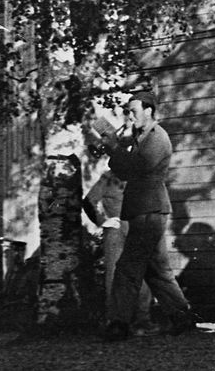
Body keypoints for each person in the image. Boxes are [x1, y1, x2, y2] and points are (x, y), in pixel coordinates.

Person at [90, 89, 199, 342]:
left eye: (134, 111)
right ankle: (182, 317)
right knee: (156, 270)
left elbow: (136, 169)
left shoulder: (157, 138)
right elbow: (124, 168)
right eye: (128, 111)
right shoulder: (142, 137)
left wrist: (115, 148)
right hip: (144, 209)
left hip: (149, 210)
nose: (130, 116)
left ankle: (118, 323)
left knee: (128, 267)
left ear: (149, 110)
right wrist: (114, 149)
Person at [84, 167, 153, 331]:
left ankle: (143, 319)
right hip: (117, 231)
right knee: (115, 275)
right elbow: (88, 201)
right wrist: (102, 221)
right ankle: (115, 321)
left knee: (143, 274)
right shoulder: (109, 178)